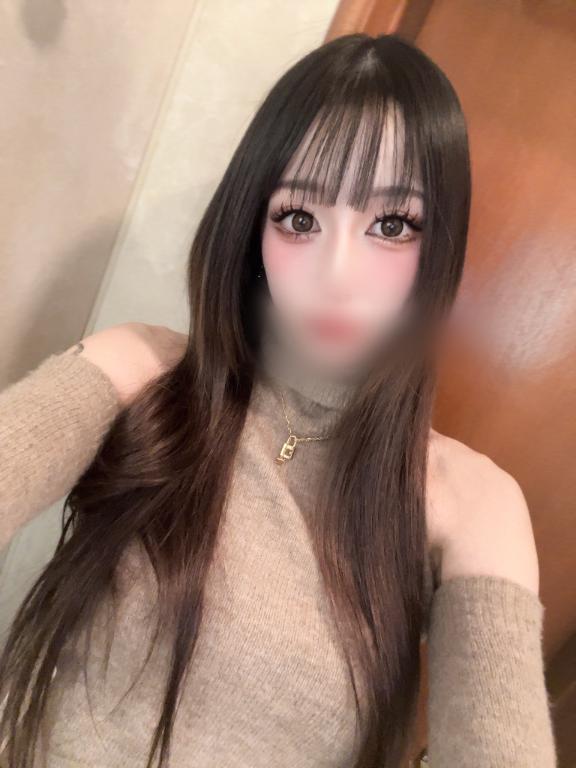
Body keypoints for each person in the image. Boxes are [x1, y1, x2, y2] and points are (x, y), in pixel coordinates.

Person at [0, 33, 556, 768]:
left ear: (439, 245)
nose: (337, 273)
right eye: (299, 218)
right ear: (252, 226)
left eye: (392, 225)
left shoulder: (471, 506)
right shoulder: (142, 372)